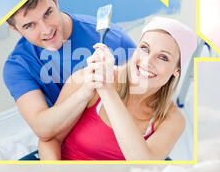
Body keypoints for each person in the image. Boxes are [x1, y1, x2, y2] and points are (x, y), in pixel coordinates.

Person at [2, 0, 136, 159]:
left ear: (56, 1)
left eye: (48, 13)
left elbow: (148, 103)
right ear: (15, 29)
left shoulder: (115, 40)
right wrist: (85, 92)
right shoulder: (18, 66)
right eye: (30, 25)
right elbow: (44, 130)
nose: (46, 30)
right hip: (63, 141)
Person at [39, 17, 197, 160]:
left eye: (163, 57)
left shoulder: (173, 120)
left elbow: (144, 164)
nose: (147, 61)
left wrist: (107, 90)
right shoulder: (88, 79)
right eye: (144, 48)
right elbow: (50, 138)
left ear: (177, 70)